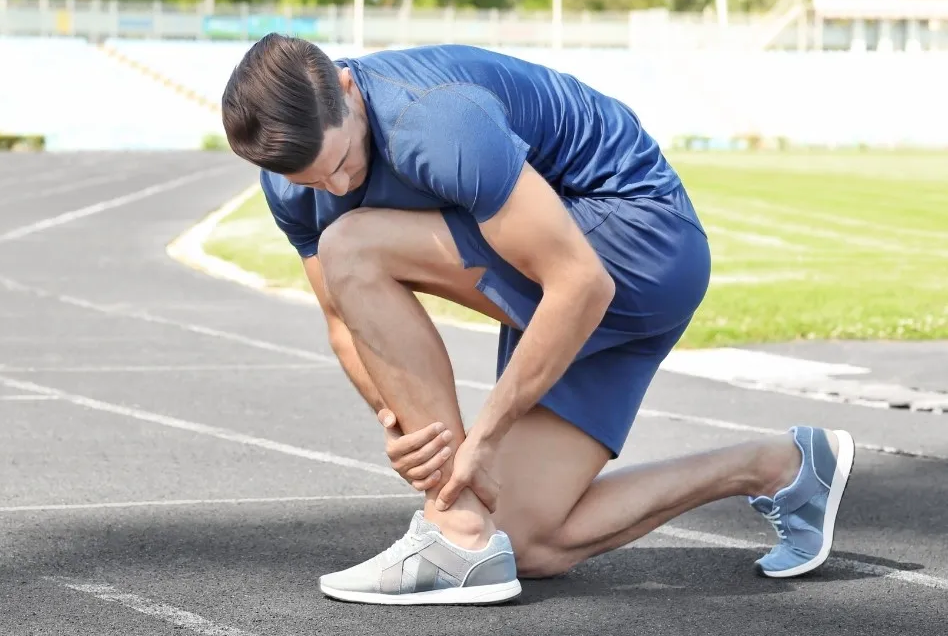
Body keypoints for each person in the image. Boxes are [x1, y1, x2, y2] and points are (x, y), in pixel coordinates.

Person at [218, 34, 855, 606]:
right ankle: (779, 466)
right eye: (311, 178)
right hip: (566, 280)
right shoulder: (294, 184)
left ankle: (452, 532)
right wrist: (397, 425)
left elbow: (580, 281)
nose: (334, 185)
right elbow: (342, 321)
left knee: (351, 246)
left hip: (639, 242)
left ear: (348, 86)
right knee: (523, 543)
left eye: (342, 159)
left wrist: (483, 439)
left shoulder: (433, 120)